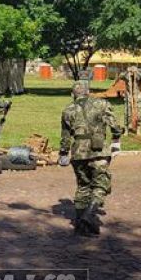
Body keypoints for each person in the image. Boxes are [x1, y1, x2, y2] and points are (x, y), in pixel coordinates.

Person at [58, 80, 124, 236]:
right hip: (98, 151)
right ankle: (89, 214)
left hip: (78, 152)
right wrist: (117, 137)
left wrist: (63, 153)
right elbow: (114, 125)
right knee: (101, 185)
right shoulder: (102, 104)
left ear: (73, 94)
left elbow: (65, 136)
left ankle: (81, 225)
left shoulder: (67, 110)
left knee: (83, 186)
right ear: (88, 91)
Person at [118, 66, 141, 135]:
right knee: (127, 113)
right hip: (128, 97)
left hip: (137, 97)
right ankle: (126, 129)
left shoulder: (139, 75)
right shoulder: (126, 75)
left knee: (138, 113)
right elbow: (120, 76)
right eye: (132, 70)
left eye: (133, 70)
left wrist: (137, 72)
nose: (132, 72)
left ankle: (138, 128)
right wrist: (127, 72)